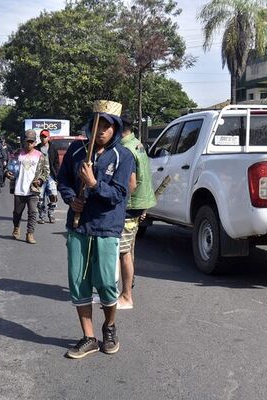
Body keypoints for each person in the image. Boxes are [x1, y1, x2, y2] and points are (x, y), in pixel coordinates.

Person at [57, 101, 135, 359]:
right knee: (78, 282)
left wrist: (93, 183)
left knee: (105, 283)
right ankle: (88, 337)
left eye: (107, 126)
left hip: (107, 226)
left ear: (115, 129)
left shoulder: (123, 156)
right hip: (78, 226)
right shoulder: (77, 151)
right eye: (97, 125)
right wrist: (71, 199)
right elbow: (64, 181)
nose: (101, 130)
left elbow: (119, 194)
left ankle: (109, 326)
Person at [117, 114, 156, 309]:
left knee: (121, 251)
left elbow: (130, 184)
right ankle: (125, 288)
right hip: (140, 202)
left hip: (130, 204)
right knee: (129, 249)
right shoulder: (137, 143)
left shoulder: (125, 148)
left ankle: (125, 294)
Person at [5, 130, 49, 244]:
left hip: (33, 189)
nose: (29, 144)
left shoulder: (40, 156)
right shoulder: (17, 154)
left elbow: (46, 171)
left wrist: (40, 180)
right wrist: (8, 173)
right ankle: (16, 227)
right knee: (17, 213)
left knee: (33, 212)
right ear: (24, 142)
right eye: (27, 141)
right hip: (19, 188)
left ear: (35, 142)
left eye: (31, 142)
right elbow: (9, 167)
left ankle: (30, 234)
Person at [36, 129, 60, 224]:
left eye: (45, 136)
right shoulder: (37, 149)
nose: (43, 138)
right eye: (42, 136)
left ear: (48, 137)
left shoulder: (53, 148)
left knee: (53, 196)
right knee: (40, 198)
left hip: (51, 176)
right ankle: (42, 216)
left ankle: (51, 214)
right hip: (40, 177)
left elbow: (56, 162)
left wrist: (56, 176)